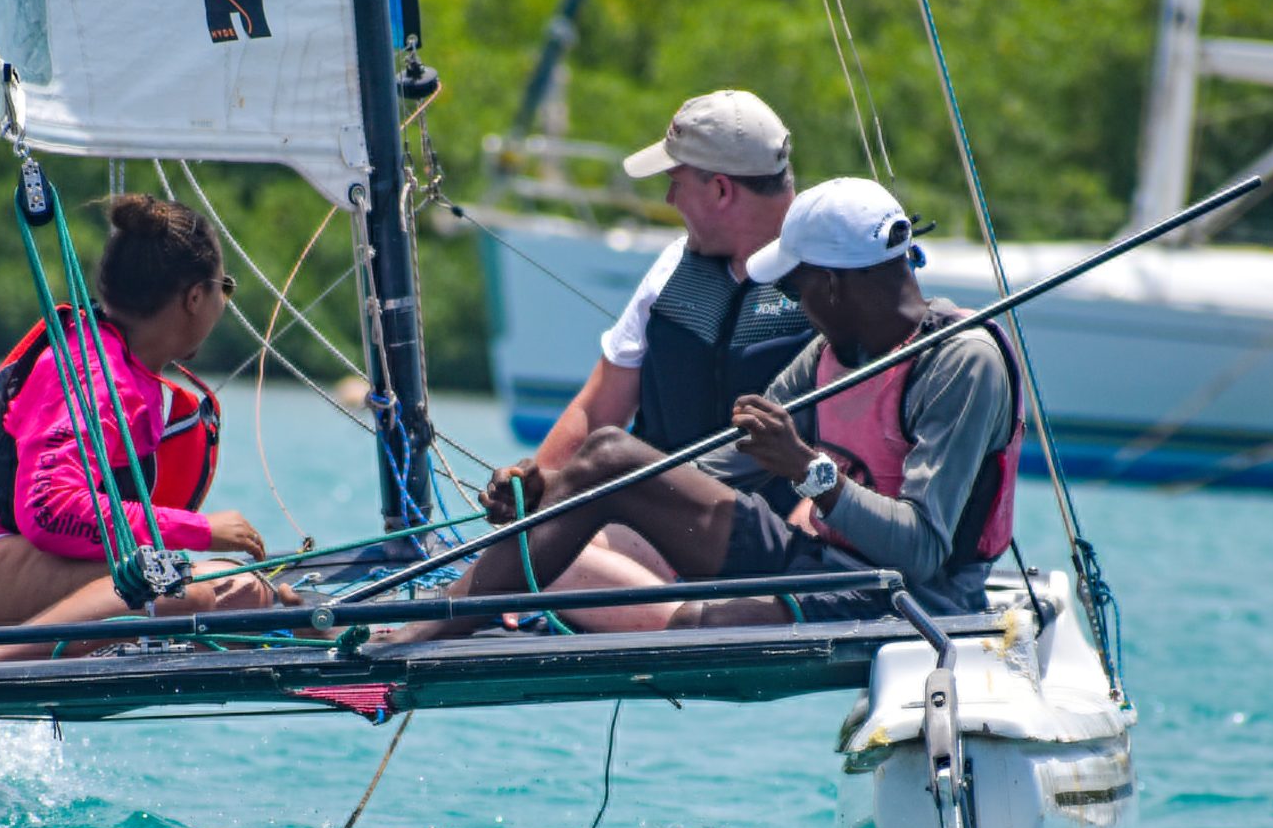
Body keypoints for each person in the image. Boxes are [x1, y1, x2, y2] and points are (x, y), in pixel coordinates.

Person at [388, 178, 1020, 641]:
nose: (795, 304)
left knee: (706, 624)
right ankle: (435, 618)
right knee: (609, 454)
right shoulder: (830, 355)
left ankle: (429, 626)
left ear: (832, 283)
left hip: (906, 597)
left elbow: (921, 552)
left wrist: (809, 473)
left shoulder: (963, 364)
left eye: (794, 287)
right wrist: (554, 491)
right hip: (819, 559)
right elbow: (708, 472)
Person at [0, 193, 283, 664]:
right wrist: (198, 529)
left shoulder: (128, 373)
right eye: (224, 289)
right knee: (180, 597)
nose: (223, 303)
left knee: (243, 595)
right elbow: (49, 509)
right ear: (195, 298)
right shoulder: (93, 374)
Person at [479, 90, 814, 629]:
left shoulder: (827, 278)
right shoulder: (672, 267)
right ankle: (676, 615)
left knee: (538, 568)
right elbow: (597, 409)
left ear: (721, 189)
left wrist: (809, 562)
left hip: (762, 539)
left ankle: (691, 622)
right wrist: (527, 500)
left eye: (676, 182)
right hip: (655, 527)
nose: (668, 199)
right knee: (525, 550)